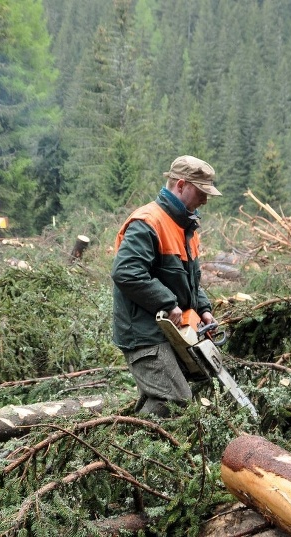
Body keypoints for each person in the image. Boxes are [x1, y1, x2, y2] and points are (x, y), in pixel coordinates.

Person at [111, 155, 222, 418]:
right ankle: (130, 449)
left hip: (170, 331)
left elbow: (188, 280)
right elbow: (126, 272)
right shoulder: (149, 222)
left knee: (167, 398)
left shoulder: (185, 228)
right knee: (175, 400)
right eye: (201, 192)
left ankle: (130, 449)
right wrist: (167, 302)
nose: (205, 200)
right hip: (144, 332)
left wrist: (203, 309)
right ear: (181, 185)